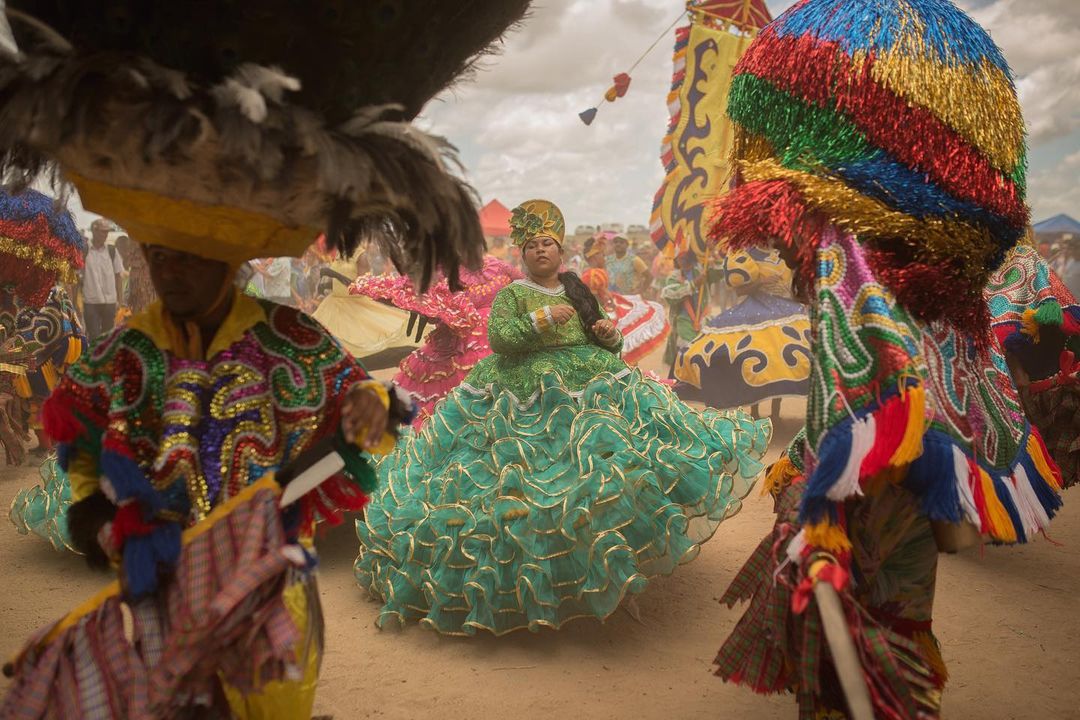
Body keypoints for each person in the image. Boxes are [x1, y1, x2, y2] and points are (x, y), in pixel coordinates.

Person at [709, 1, 1062, 717]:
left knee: (866, 638)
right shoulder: (943, 282)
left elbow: (866, 391)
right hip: (888, 486)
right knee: (885, 622)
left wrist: (826, 509)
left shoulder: (855, 260)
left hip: (871, 499)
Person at [355, 199, 770, 635]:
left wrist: (608, 335)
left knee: (608, 477)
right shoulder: (512, 294)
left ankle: (616, 572)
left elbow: (599, 334)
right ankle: (558, 577)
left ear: (560, 251)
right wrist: (539, 320)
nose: (540, 251)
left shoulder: (576, 288)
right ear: (522, 253)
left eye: (548, 243)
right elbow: (500, 339)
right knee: (543, 486)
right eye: (532, 244)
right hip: (521, 397)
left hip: (591, 386)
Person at [351, 255, 523, 428]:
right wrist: (425, 307)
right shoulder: (439, 269)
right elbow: (417, 294)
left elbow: (530, 292)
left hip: (495, 342)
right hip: (450, 348)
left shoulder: (501, 267)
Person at [671, 246, 811, 416]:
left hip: (786, 311)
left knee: (778, 360)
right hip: (754, 313)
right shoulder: (745, 256)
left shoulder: (785, 253)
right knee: (754, 358)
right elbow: (739, 291)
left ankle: (776, 413)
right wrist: (761, 282)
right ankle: (755, 412)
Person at [580, 237, 670, 365]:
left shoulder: (598, 271)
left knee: (621, 344)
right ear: (593, 257)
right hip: (605, 311)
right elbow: (594, 299)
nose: (604, 257)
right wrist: (607, 302)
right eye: (601, 254)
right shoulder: (593, 274)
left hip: (614, 305)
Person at [81, 218, 125, 339]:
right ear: (94, 231)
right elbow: (76, 277)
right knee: (94, 337)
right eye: (102, 231)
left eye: (106, 232)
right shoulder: (84, 251)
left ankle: (106, 358)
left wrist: (119, 301)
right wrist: (75, 303)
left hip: (109, 302)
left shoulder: (112, 251)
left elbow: (118, 277)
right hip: (91, 302)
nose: (105, 235)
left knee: (108, 338)